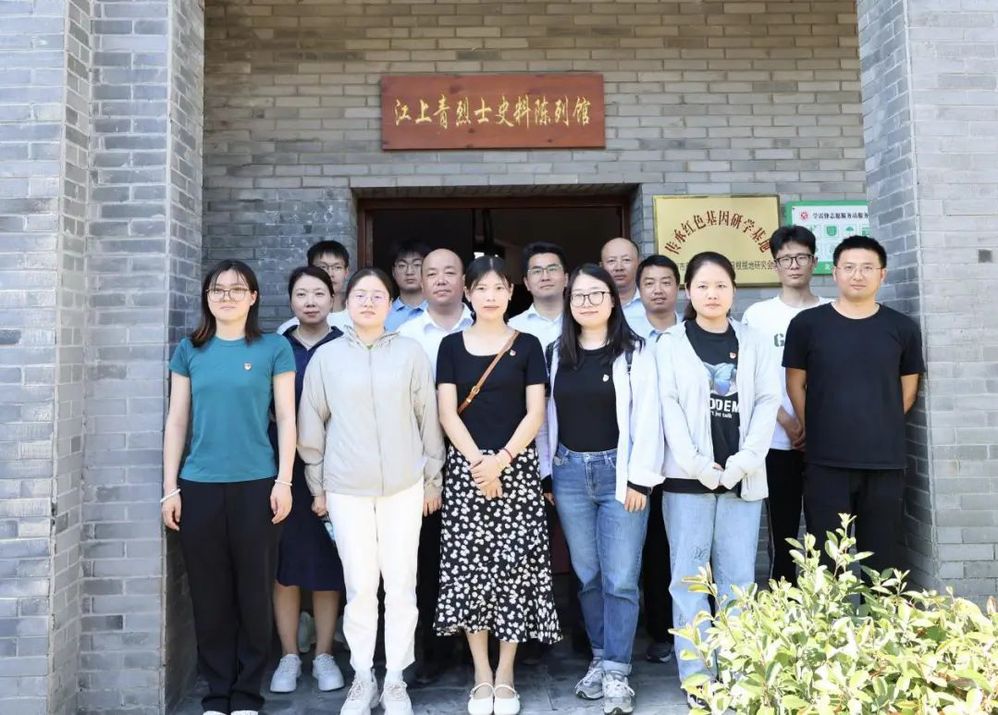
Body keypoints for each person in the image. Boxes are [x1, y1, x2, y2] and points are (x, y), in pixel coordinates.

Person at [297, 267, 446, 715]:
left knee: (401, 586)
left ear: (389, 303)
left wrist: (432, 479)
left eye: (377, 295)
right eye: (360, 295)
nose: (368, 302)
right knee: (360, 587)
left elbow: (428, 419)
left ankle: (395, 678)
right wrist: (317, 485)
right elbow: (311, 423)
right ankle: (363, 677)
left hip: (404, 486)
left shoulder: (410, 352)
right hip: (346, 489)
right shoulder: (327, 358)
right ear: (347, 302)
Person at [162, 259, 296, 715]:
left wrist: (284, 480)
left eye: (238, 289)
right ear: (207, 297)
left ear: (253, 297)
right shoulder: (190, 349)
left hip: (258, 485)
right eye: (218, 289)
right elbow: (176, 421)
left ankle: (246, 695)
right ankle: (217, 694)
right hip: (199, 486)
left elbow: (287, 419)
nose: (227, 297)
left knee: (254, 593)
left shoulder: (274, 348)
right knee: (209, 595)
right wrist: (170, 487)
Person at [435, 256, 561, 715]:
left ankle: (506, 672)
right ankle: (481, 673)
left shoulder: (527, 345)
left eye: (498, 288)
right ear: (468, 293)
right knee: (471, 572)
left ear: (511, 292)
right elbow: (447, 412)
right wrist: (478, 464)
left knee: (512, 571)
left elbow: (536, 412)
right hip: (467, 472)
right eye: (481, 288)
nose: (490, 296)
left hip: (517, 470)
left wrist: (502, 461)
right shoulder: (450, 346)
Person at [536, 264, 663, 715]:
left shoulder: (635, 352)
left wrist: (640, 479)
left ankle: (617, 670)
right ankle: (599, 657)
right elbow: (543, 419)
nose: (587, 303)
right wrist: (547, 473)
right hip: (569, 473)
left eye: (596, 294)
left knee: (621, 578)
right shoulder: (555, 353)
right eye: (579, 296)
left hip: (620, 475)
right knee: (587, 575)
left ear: (612, 300)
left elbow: (649, 418)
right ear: (569, 303)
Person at [655, 252, 780, 708]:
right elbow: (668, 406)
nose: (712, 294)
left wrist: (744, 461)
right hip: (687, 481)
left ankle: (738, 670)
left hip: (742, 480)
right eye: (703, 286)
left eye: (721, 285)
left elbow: (767, 401)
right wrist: (699, 465)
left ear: (733, 291)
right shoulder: (669, 343)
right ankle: (698, 677)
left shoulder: (754, 340)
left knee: (738, 580)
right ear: (688, 291)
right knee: (688, 580)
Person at [784, 235, 924, 575]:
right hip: (825, 461)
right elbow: (795, 384)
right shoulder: (807, 325)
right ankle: (829, 613)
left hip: (885, 462)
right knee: (828, 560)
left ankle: (880, 613)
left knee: (882, 560)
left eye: (867, 268)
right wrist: (813, 427)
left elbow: (907, 391)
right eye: (849, 267)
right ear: (834, 273)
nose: (857, 275)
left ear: (882, 274)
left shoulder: (902, 328)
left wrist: (879, 425)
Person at [268, 266, 346, 695]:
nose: (311, 301)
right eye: (302, 294)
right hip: (285, 470)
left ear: (333, 298)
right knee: (286, 563)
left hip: (339, 466)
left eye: (319, 293)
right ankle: (288, 656)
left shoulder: (345, 344)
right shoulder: (276, 347)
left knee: (327, 563)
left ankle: (324, 654)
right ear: (290, 300)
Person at [398, 248, 474, 686]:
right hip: (422, 461)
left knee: (478, 556)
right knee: (428, 560)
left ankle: (481, 644)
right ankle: (434, 650)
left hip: (480, 458)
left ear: (465, 281)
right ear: (421, 283)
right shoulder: (406, 335)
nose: (441, 280)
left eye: (450, 272)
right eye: (432, 273)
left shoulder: (486, 324)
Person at [741, 226, 830, 583]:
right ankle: (784, 601)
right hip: (776, 441)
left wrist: (813, 425)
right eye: (786, 258)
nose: (794, 265)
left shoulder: (831, 311)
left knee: (826, 532)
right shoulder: (758, 315)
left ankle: (825, 601)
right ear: (774, 265)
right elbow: (750, 379)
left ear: (814, 262)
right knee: (782, 531)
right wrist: (789, 422)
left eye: (801, 257)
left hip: (827, 443)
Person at [633, 253, 682, 665]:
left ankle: (699, 626)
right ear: (639, 290)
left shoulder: (694, 332)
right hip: (645, 461)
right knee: (653, 548)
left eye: (666, 281)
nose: (658, 290)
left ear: (679, 287)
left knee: (689, 547)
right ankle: (661, 630)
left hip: (688, 462)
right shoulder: (628, 336)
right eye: (649, 283)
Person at [278, 240, 352, 333]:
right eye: (323, 267)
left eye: (337, 267)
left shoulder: (360, 319)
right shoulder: (288, 330)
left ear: (346, 272)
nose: (330, 274)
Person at [507, 241, 568, 348]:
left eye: (552, 269)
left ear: (566, 279)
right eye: (537, 271)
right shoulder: (512, 328)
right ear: (526, 283)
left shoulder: (583, 322)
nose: (545, 277)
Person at [599, 237, 645, 332]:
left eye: (626, 260)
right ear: (601, 266)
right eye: (611, 261)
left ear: (639, 263)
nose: (619, 268)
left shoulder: (651, 301)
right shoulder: (592, 303)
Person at [386, 240, 430, 331]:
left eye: (417, 265)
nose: (409, 272)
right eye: (402, 265)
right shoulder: (383, 314)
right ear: (393, 272)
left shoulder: (440, 311)